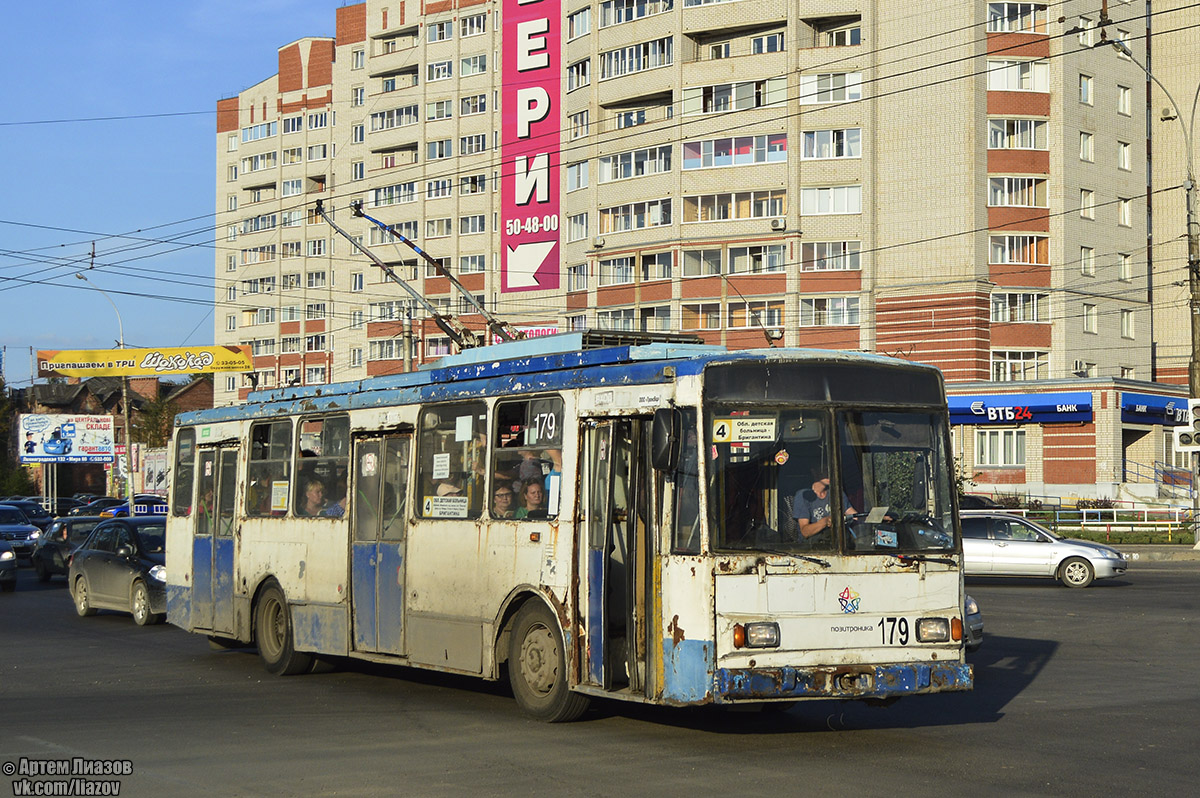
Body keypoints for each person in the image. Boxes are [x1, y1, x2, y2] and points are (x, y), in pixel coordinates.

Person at [792, 470, 855, 542]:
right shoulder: (803, 496)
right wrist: (825, 522)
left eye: (830, 469)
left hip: (838, 544)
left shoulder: (836, 492)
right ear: (815, 472)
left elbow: (854, 516)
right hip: (813, 547)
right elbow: (805, 532)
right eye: (825, 469)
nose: (829, 473)